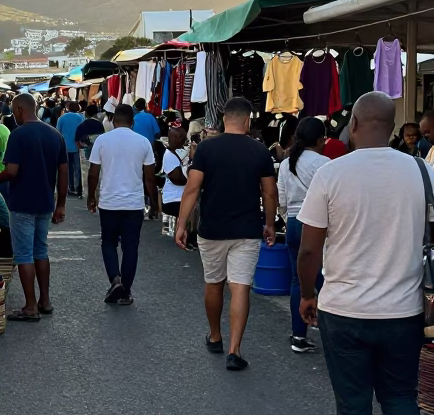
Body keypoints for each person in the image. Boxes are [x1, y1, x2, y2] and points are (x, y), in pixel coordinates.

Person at [297, 92, 434, 415]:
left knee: (355, 409)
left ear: (355, 126)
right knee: (400, 400)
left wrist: (307, 294)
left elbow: (309, 249)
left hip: (344, 311)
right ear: (393, 125)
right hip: (403, 311)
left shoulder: (331, 173)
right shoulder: (421, 171)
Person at [174, 98, 276, 371]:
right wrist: (269, 223)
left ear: (223, 119)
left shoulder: (206, 148)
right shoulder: (259, 150)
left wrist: (181, 224)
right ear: (248, 120)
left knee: (214, 283)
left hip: (212, 228)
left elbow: (192, 189)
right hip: (247, 230)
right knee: (240, 287)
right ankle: (235, 350)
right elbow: (269, 193)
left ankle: (215, 336)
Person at [0, 93, 67, 321]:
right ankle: (45, 301)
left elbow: (11, 171)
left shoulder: (18, 134)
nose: (14, 115)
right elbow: (63, 172)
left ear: (20, 109)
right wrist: (61, 204)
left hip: (22, 203)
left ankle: (30, 307)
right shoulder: (55, 134)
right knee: (41, 250)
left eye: (14, 111)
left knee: (23, 254)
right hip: (45, 203)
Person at [87, 104, 158, 305]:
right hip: (134, 204)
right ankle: (126, 292)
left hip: (109, 202)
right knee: (130, 247)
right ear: (132, 122)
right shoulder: (143, 142)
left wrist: (91, 197)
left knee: (108, 243)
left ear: (113, 120)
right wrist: (154, 203)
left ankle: (115, 280)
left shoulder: (102, 140)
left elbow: (93, 173)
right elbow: (150, 178)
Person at [277, 116, 328, 355]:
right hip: (316, 224)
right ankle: (332, 329)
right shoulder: (324, 164)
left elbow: (282, 200)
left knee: (298, 279)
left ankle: (298, 335)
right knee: (324, 279)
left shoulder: (286, 164)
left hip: (293, 223)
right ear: (320, 140)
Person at [56, 100, 86, 198]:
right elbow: (84, 132)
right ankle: (78, 188)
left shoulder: (61, 118)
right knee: (77, 168)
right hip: (77, 146)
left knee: (67, 168)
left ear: (68, 108)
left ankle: (70, 187)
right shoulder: (81, 117)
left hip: (65, 146)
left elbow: (58, 132)